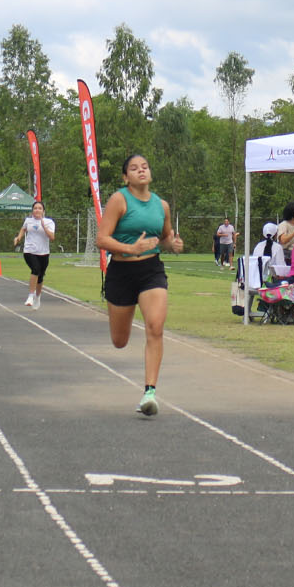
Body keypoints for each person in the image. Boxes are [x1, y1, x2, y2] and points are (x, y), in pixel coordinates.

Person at [95, 153, 183, 416]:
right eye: (134, 168)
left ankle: (150, 392)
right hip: (121, 271)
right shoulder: (119, 200)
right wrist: (130, 247)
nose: (141, 171)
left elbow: (166, 238)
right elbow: (102, 239)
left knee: (155, 327)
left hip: (150, 270)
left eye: (145, 166)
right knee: (119, 340)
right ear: (126, 177)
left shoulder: (162, 205)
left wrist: (173, 245)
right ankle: (147, 386)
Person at [12, 200, 56, 309]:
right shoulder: (28, 221)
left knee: (40, 277)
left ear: (43, 211)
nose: (37, 210)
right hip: (29, 251)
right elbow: (23, 229)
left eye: (39, 208)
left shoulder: (49, 222)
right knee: (35, 269)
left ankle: (37, 297)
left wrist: (44, 226)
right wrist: (18, 238)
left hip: (43, 253)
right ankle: (30, 296)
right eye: (35, 208)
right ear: (32, 211)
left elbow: (52, 237)